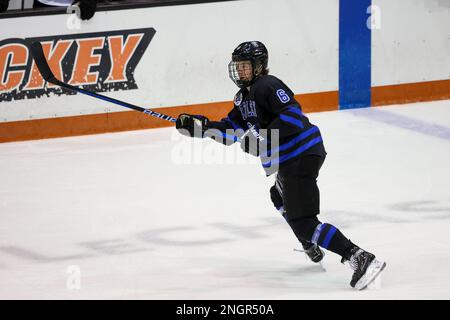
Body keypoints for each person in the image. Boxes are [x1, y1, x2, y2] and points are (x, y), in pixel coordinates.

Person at [175, 41, 386, 290]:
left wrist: (263, 138)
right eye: (237, 66)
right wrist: (200, 127)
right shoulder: (243, 98)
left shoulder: (268, 84)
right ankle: (308, 241)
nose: (240, 71)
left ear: (259, 66)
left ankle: (359, 257)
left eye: (245, 66)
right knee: (278, 196)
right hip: (291, 159)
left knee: (305, 220)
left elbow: (292, 115)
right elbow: (230, 132)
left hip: (302, 154)